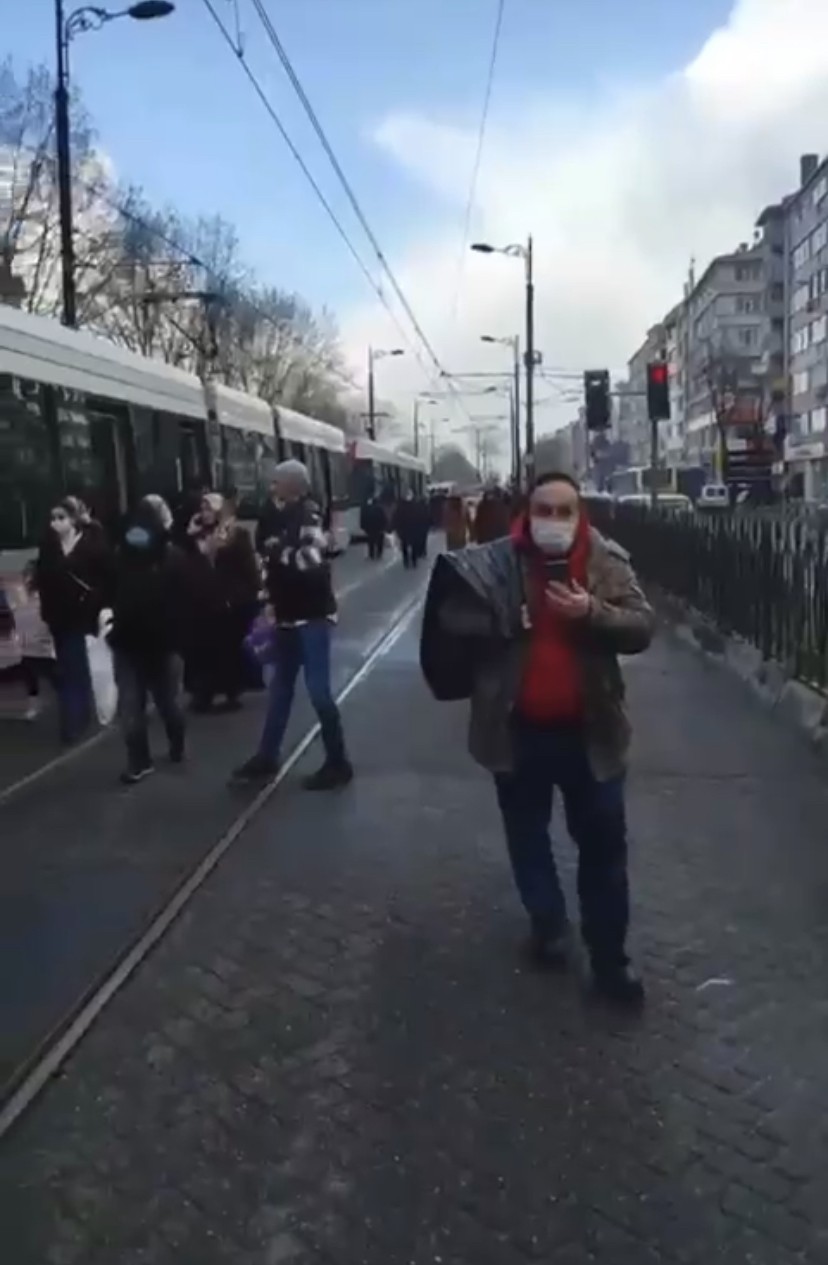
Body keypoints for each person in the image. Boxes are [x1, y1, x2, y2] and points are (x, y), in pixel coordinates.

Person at [421, 471, 655, 1008]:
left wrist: (591, 612)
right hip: (516, 728)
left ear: (580, 516)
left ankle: (609, 959)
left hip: (590, 734)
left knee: (603, 849)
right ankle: (548, 922)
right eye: (543, 510)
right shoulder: (496, 559)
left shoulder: (604, 560)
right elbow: (450, 612)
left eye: (564, 511)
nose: (553, 521)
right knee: (527, 832)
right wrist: (501, 620)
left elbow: (643, 626)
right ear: (528, 512)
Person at [232, 459, 353, 791]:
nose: (271, 487)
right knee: (281, 689)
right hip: (287, 615)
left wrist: (278, 554)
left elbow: (311, 561)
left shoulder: (309, 515)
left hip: (312, 616)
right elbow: (268, 558)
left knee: (318, 690)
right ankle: (267, 755)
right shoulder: (276, 516)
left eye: (276, 482)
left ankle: (338, 761)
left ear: (293, 486)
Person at [109, 495, 188, 784]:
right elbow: (187, 598)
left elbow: (108, 591)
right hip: (163, 642)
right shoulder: (172, 555)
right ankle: (176, 744)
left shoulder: (119, 554)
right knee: (168, 700)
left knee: (131, 705)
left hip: (126, 640)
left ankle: (139, 761)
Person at [36, 497, 113, 743]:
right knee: (68, 668)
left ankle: (75, 720)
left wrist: (100, 605)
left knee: (75, 666)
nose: (55, 523)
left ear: (72, 520)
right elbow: (43, 579)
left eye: (61, 518)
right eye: (53, 519)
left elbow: (106, 577)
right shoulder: (49, 546)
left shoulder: (91, 545)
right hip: (58, 616)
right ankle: (75, 717)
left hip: (84, 615)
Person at [183, 492, 261, 712]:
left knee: (226, 649)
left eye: (209, 509)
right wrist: (191, 535)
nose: (204, 513)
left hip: (230, 602)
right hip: (203, 602)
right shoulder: (196, 535)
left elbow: (248, 569)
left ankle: (229, 692)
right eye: (202, 509)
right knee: (203, 649)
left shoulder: (236, 534)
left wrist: (254, 593)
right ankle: (204, 693)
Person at [393, 489, 420, 569]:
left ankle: (406, 561)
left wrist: (395, 527)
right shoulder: (415, 506)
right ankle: (414, 560)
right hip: (413, 528)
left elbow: (396, 517)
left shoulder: (400, 506)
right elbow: (419, 517)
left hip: (404, 529)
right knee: (414, 545)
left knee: (404, 545)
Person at [360, 495, 387, 561]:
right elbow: (384, 519)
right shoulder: (380, 509)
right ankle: (379, 554)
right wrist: (384, 527)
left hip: (370, 529)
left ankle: (371, 554)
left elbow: (364, 519)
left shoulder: (368, 510)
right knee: (379, 542)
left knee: (371, 542)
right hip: (379, 529)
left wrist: (364, 527)